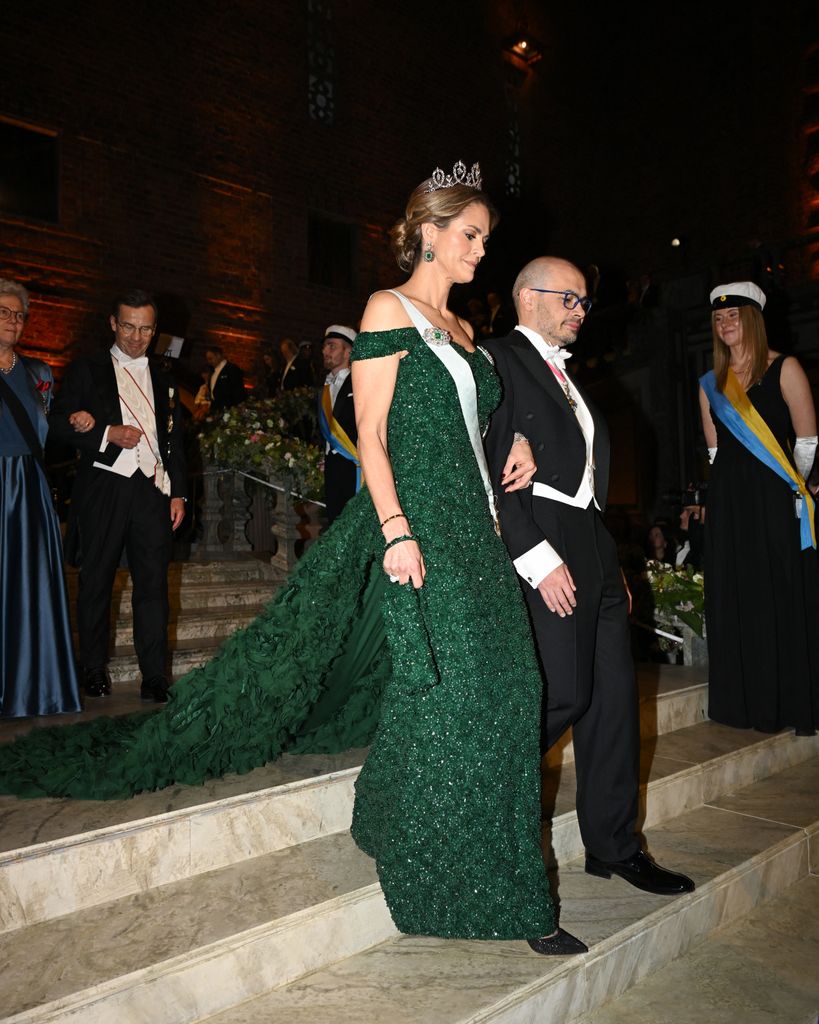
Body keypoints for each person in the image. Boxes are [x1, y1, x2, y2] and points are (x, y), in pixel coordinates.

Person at [0, 171, 584, 955]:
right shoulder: (389, 309)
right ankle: (484, 887)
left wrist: (507, 441)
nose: (482, 249)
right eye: (470, 234)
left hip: (479, 534)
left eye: (484, 235)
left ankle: (389, 814)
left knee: (510, 691)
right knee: (460, 695)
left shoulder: (467, 330)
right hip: (424, 530)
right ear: (429, 231)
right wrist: (397, 531)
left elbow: (471, 422)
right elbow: (371, 432)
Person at [484, 256, 695, 896]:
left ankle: (614, 845)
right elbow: (495, 462)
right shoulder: (496, 359)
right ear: (527, 298)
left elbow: (587, 484)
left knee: (610, 704)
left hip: (592, 541)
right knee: (564, 694)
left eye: (583, 301)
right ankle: (487, 817)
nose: (580, 310)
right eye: (568, 298)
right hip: (542, 534)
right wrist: (536, 554)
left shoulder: (570, 378)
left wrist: (609, 563)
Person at [49, 289, 188, 703]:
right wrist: (104, 432)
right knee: (96, 581)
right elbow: (56, 425)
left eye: (145, 328)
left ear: (154, 330)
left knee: (153, 586)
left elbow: (175, 441)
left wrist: (178, 492)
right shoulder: (86, 369)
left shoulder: (164, 379)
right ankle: (93, 669)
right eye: (128, 325)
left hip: (151, 491)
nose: (135, 336)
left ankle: (154, 675)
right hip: (104, 488)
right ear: (113, 323)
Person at [699, 281, 819, 735]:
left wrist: (795, 487)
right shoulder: (710, 382)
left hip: (775, 497)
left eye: (733, 315)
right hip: (730, 502)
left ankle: (785, 703)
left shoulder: (785, 367)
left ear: (752, 319)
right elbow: (715, 453)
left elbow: (807, 439)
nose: (725, 323)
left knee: (778, 594)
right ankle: (741, 704)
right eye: (717, 318)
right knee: (738, 595)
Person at [0, 278, 82, 717]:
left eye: (19, 314)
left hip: (28, 488)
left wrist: (85, 424)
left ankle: (33, 689)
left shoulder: (39, 373)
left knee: (30, 587)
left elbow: (57, 430)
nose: (14, 321)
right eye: (4, 312)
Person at [318, 324, 359, 523]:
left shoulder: (360, 382)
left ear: (348, 351)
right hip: (332, 466)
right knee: (334, 522)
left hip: (355, 465)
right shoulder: (325, 386)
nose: (325, 351)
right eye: (325, 347)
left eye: (332, 346)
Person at [205, 345, 245, 412]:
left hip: (227, 408)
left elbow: (238, 391)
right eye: (208, 359)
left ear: (218, 355)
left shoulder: (232, 369)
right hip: (215, 407)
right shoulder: (212, 370)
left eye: (211, 358)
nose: (209, 361)